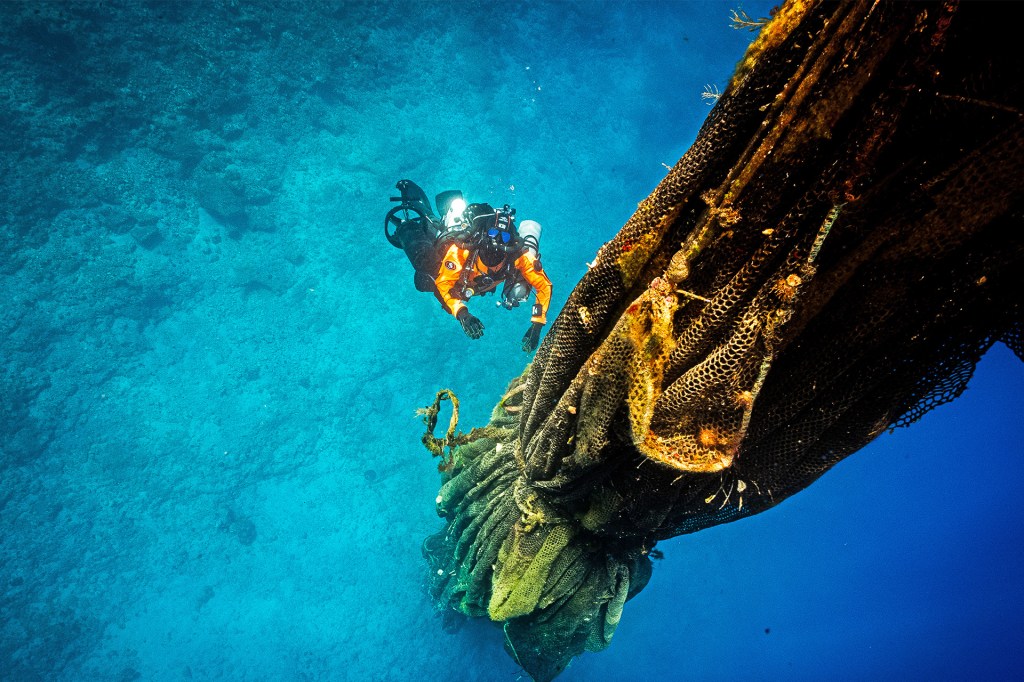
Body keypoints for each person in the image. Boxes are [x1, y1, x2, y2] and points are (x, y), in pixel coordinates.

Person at [385, 179, 552, 352]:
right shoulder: (461, 251)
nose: (498, 245)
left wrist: (537, 324)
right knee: (427, 273)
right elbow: (443, 284)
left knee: (521, 290)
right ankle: (414, 222)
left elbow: (543, 286)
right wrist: (462, 313)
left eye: (505, 239)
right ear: (484, 236)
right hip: (461, 278)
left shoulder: (518, 256)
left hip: (477, 283)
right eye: (493, 235)